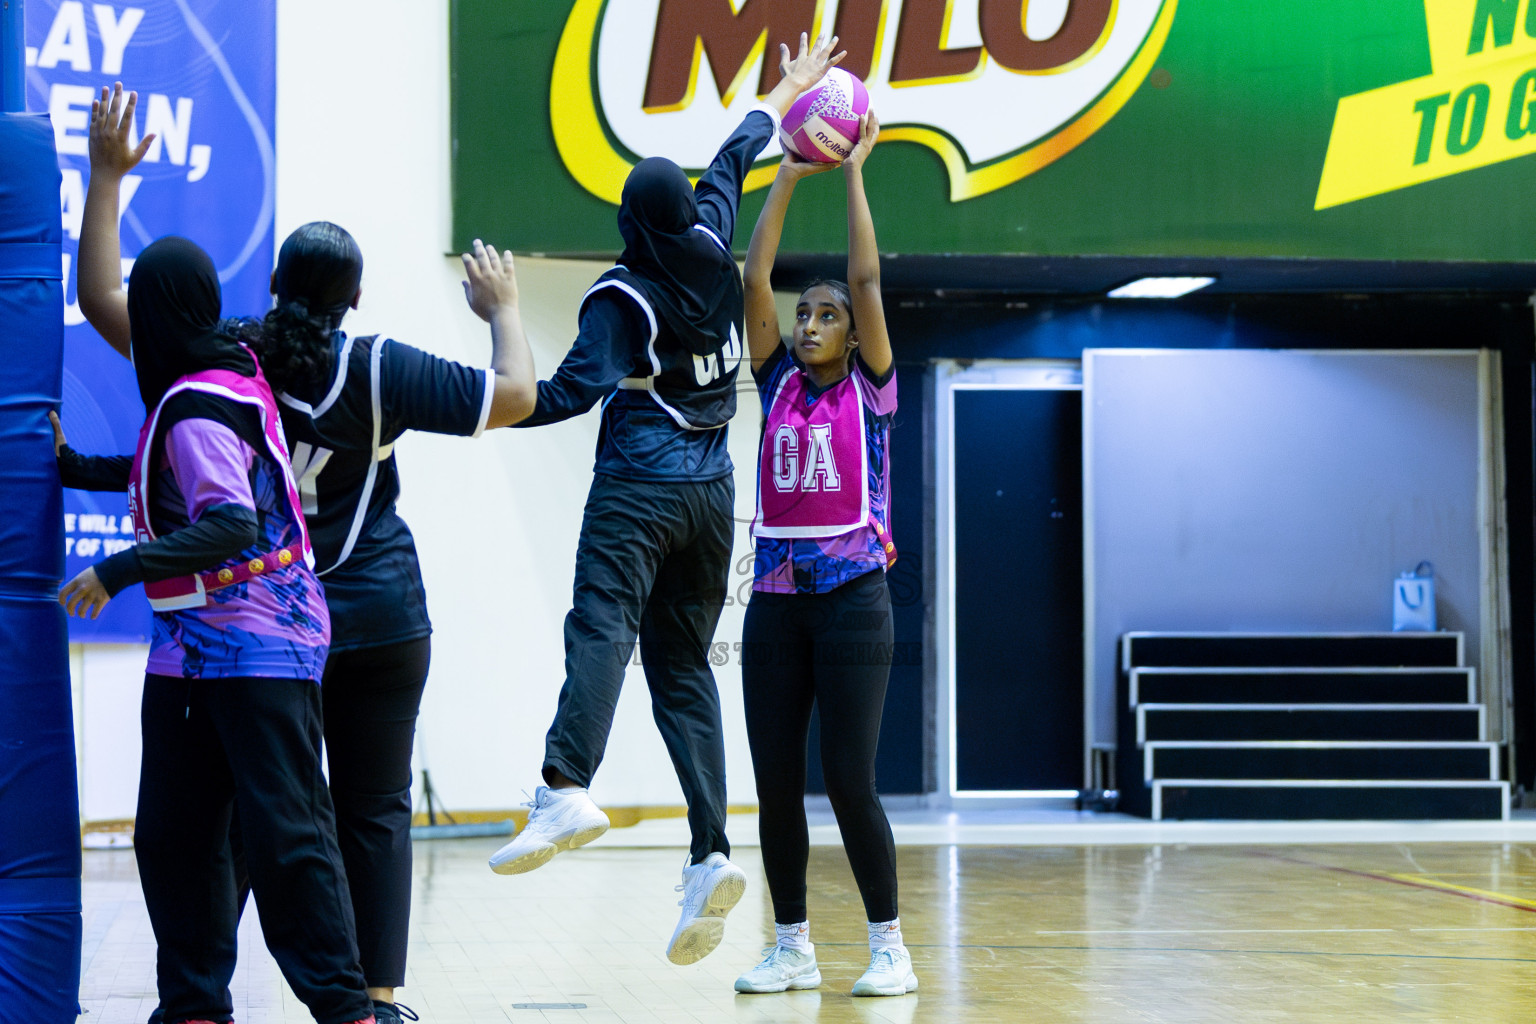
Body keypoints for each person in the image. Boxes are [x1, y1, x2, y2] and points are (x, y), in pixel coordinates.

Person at [78, 80, 538, 1024]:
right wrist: (502, 308)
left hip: (258, 618)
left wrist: (106, 180)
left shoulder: (231, 352)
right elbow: (519, 394)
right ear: (357, 296)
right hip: (360, 611)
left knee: (248, 821)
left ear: (275, 285)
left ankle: (271, 997)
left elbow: (105, 301)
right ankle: (370, 998)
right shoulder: (378, 366)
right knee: (358, 816)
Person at [484, 34, 845, 966]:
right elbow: (735, 153)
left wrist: (489, 370)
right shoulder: (713, 236)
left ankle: (565, 783)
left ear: (629, 222)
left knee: (601, 626)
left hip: (640, 486)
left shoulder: (623, 295)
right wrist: (792, 88)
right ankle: (710, 852)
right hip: (713, 494)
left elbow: (561, 395)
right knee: (682, 668)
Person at [57, 88, 376, 1024]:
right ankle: (194, 1004)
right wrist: (74, 466)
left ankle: (346, 1006)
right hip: (198, 646)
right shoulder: (207, 378)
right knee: (175, 834)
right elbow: (166, 464)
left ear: (154, 316)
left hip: (255, 642)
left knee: (284, 839)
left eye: (135, 309)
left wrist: (115, 570)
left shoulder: (197, 397)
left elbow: (232, 522)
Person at [730, 111, 917, 997]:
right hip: (775, 599)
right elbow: (754, 273)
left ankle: (889, 944)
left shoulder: (872, 391)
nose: (809, 322)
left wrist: (849, 170)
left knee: (848, 777)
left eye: (826, 315)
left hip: (853, 599)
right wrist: (786, 176)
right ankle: (792, 944)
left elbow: (867, 276)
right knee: (774, 784)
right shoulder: (775, 386)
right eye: (803, 314)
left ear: (852, 334)